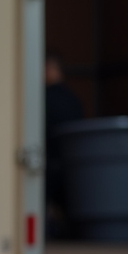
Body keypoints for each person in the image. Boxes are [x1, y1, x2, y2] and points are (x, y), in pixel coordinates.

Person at [44, 53, 85, 237]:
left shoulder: (44, 99)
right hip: (76, 171)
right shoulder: (74, 100)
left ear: (49, 69)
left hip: (49, 172)